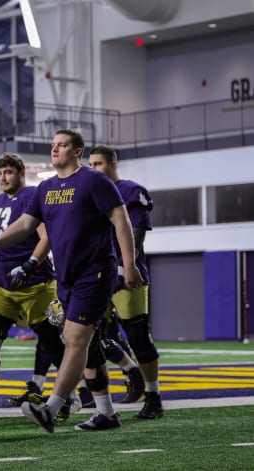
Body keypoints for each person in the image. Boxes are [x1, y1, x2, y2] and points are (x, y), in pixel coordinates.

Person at [0, 129, 143, 433]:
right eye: (53, 145)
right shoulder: (45, 188)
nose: (55, 150)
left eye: (63, 145)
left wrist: (129, 265)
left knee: (74, 338)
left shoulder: (94, 181)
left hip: (94, 272)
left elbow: (121, 220)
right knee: (88, 344)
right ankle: (106, 413)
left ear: (77, 151)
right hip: (65, 277)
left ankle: (51, 408)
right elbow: (27, 224)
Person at [0, 152, 71, 418]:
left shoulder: (33, 195)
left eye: (8, 172)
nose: (3, 178)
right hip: (2, 282)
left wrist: (30, 263)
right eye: (0, 173)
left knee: (53, 342)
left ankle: (69, 395)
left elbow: (46, 237)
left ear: (20, 173)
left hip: (37, 284)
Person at [88, 145, 163, 419]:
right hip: (97, 274)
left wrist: (123, 268)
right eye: (91, 164)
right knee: (93, 339)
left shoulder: (132, 191)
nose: (94, 169)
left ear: (113, 163)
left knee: (138, 336)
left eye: (99, 164)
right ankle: (126, 378)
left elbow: (137, 232)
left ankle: (154, 396)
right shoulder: (91, 191)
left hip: (126, 274)